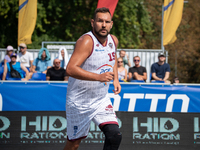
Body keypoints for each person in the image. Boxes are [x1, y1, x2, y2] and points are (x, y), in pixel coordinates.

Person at [63, 7, 122, 150]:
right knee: (73, 145)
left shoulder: (113, 40)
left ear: (111, 24)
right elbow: (70, 69)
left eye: (107, 22)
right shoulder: (86, 41)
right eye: (100, 21)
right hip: (79, 102)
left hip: (100, 100)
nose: (103, 25)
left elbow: (112, 59)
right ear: (92, 22)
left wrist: (116, 79)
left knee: (115, 136)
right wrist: (99, 77)